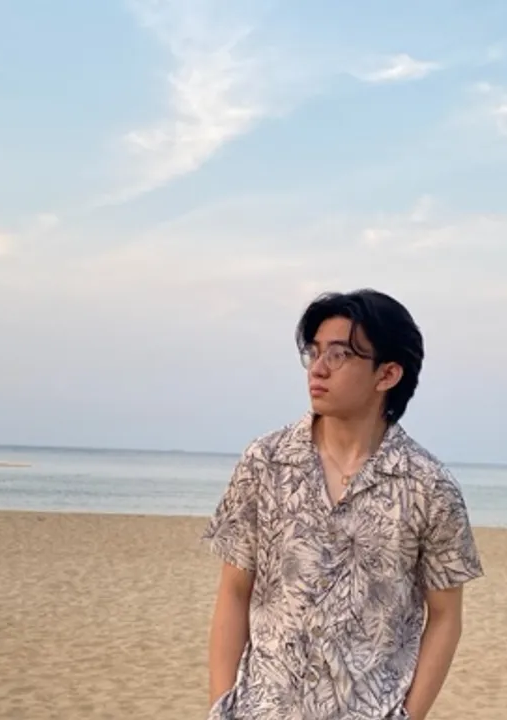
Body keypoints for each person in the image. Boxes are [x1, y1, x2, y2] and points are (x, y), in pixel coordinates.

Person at [203, 289, 484, 720]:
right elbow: (234, 590)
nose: (318, 368)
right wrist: (221, 707)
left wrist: (408, 715)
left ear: (387, 374)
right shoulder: (265, 462)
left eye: (339, 355)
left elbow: (446, 617)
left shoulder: (430, 487)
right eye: (314, 352)